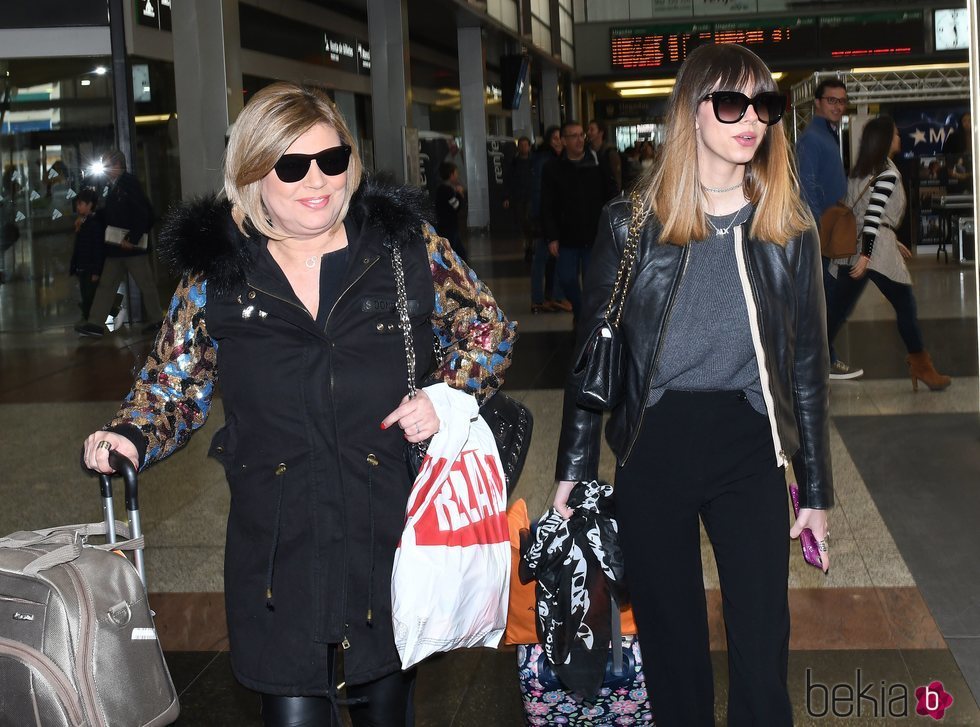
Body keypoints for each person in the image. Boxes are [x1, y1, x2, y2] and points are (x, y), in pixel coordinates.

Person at [80, 81, 517, 727]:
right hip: (277, 529)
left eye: (332, 160)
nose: (319, 181)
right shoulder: (217, 270)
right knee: (290, 705)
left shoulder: (402, 247)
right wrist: (129, 434)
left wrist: (445, 393)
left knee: (385, 704)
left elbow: (488, 327)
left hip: (387, 520)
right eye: (293, 165)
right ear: (253, 175)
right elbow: (174, 380)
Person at [554, 44, 832, 726]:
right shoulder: (631, 225)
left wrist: (816, 492)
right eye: (732, 103)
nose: (751, 121)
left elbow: (807, 371)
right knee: (672, 644)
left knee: (762, 645)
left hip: (749, 445)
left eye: (764, 106)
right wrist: (574, 468)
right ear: (692, 109)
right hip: (656, 443)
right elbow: (594, 356)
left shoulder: (788, 228)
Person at [827, 116, 951, 392]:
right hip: (874, 250)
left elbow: (861, 213)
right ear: (884, 139)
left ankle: (811, 359)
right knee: (905, 306)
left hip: (854, 247)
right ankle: (921, 365)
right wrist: (869, 255)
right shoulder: (888, 173)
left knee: (837, 310)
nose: (899, 138)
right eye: (895, 134)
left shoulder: (860, 171)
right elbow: (873, 217)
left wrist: (886, 243)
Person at [797, 78, 864, 380]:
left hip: (830, 231)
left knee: (826, 296)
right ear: (818, 103)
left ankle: (823, 358)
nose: (838, 106)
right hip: (820, 233)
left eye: (842, 101)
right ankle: (823, 361)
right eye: (832, 100)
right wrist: (816, 230)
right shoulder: (812, 138)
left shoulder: (829, 135)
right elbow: (806, 185)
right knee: (825, 298)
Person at [74, 149, 163, 337]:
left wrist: (133, 238)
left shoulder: (128, 183)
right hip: (117, 247)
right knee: (107, 284)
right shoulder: (112, 185)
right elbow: (110, 214)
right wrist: (89, 217)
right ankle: (95, 324)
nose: (105, 169)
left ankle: (157, 320)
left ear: (117, 166)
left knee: (144, 284)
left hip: (131, 248)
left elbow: (143, 213)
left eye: (107, 165)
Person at [541, 120, 617, 320]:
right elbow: (547, 205)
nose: (579, 140)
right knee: (566, 279)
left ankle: (586, 319)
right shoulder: (553, 169)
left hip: (594, 236)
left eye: (581, 135)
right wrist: (552, 236)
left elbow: (612, 196)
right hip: (566, 237)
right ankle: (581, 310)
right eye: (573, 136)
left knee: (594, 282)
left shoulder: (597, 163)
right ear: (564, 141)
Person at [528, 125, 570, 314]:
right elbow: (540, 193)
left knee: (547, 258)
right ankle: (548, 298)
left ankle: (546, 297)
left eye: (561, 138)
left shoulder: (552, 159)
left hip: (550, 217)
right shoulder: (546, 161)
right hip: (546, 218)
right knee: (546, 257)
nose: (559, 141)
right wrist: (542, 219)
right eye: (555, 138)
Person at [68, 188, 106, 321]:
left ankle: (91, 319)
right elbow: (78, 247)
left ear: (89, 205)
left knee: (90, 296)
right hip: (83, 267)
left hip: (89, 268)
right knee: (86, 294)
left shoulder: (94, 224)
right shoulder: (83, 222)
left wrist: (96, 270)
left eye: (80, 204)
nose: (77, 207)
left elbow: (97, 249)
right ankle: (88, 317)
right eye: (77, 204)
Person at [502, 136, 534, 261]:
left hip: (530, 196)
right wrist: (506, 197)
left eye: (526, 145)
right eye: (521, 145)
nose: (524, 148)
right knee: (522, 221)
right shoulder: (513, 164)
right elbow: (508, 181)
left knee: (529, 219)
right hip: (519, 197)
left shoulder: (533, 162)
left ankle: (530, 244)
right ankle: (528, 243)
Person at [434, 160, 467, 262]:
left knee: (457, 251)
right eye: (456, 173)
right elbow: (456, 206)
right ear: (451, 174)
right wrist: (459, 194)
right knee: (454, 252)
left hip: (447, 226)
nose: (457, 176)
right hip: (448, 227)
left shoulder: (442, 189)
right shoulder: (446, 190)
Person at [587, 120, 622, 195]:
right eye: (588, 129)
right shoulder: (586, 151)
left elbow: (617, 178)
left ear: (600, 132)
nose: (588, 132)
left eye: (592, 130)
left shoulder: (610, 152)